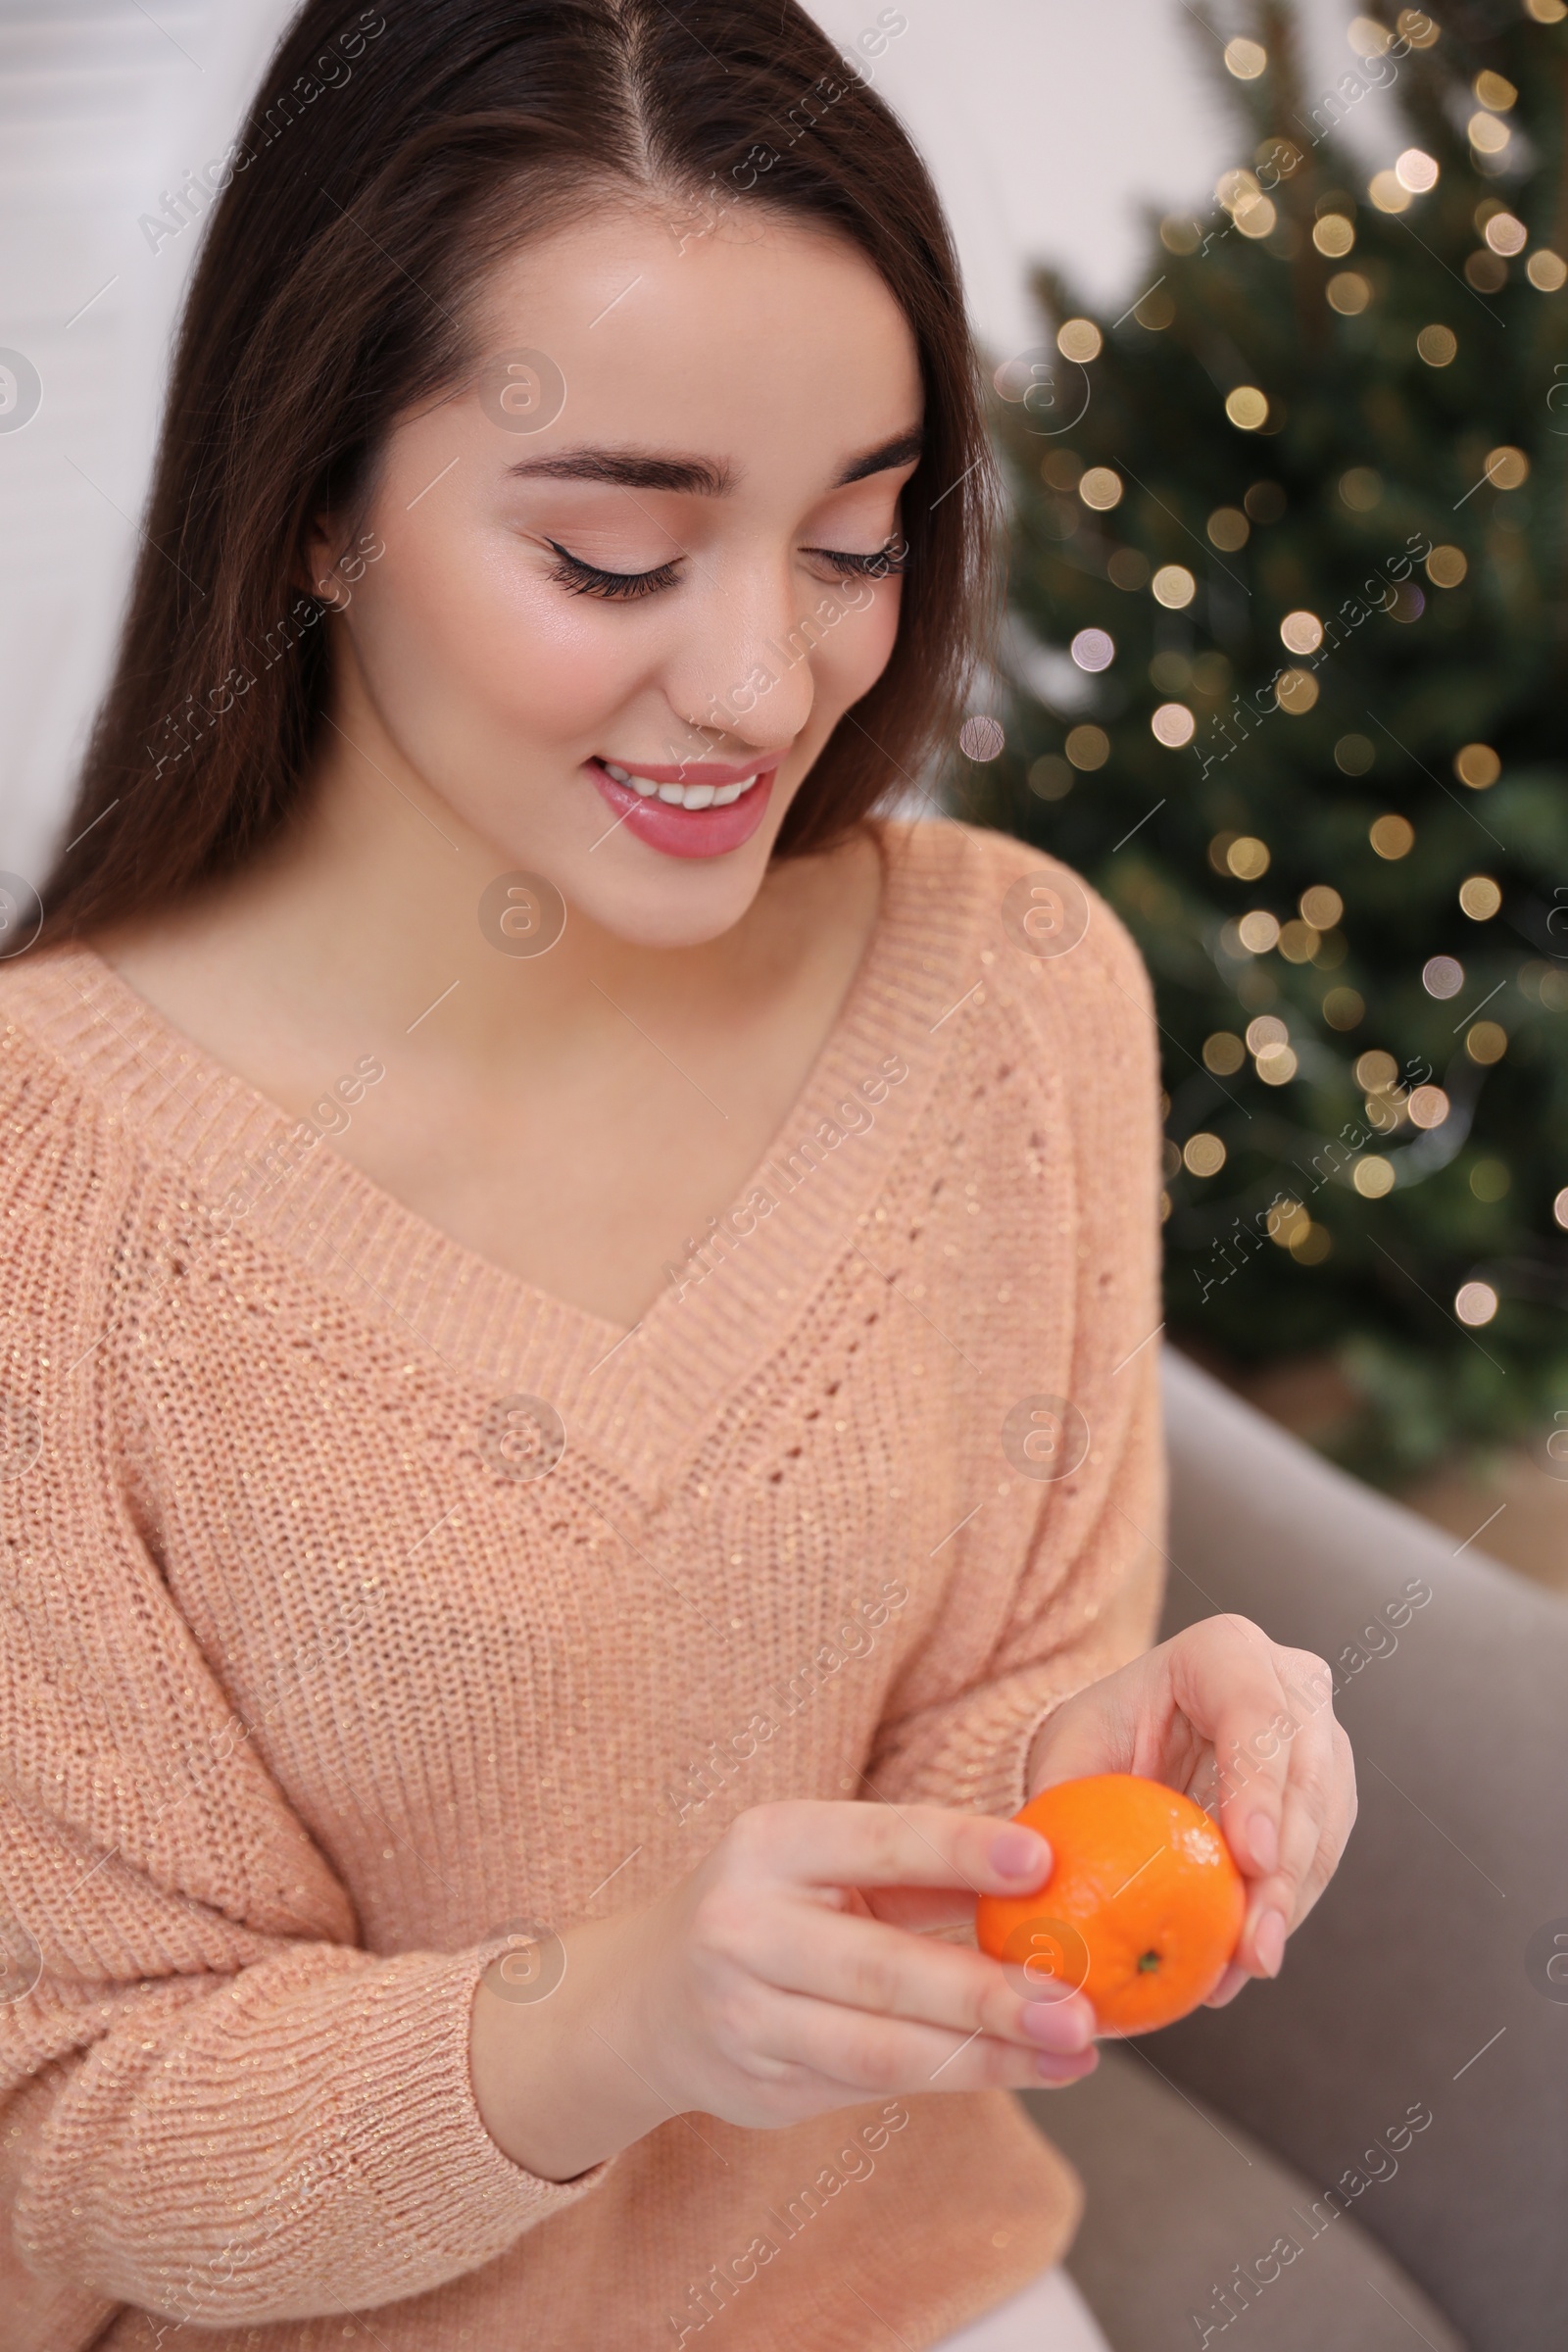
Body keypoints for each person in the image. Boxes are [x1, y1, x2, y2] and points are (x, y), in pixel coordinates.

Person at [0, 3, 1355, 2345]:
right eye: (617, 560)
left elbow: (952, 1749)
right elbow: (77, 2144)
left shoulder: (1009, 992)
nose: (763, 679)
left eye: (851, 536)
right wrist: (606, 2025)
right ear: (318, 503)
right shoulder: (51, 1200)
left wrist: (1058, 1771)